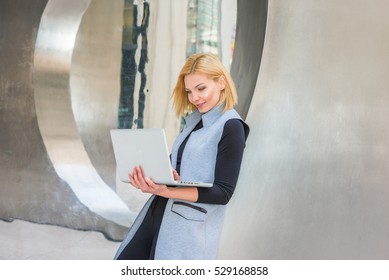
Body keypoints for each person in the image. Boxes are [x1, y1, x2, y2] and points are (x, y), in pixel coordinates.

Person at [114, 53, 249, 260]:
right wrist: (153, 175)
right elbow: (175, 165)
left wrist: (167, 191)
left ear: (221, 82)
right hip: (158, 213)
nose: (194, 98)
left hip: (187, 229)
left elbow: (223, 193)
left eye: (201, 88)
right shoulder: (194, 122)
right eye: (189, 91)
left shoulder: (231, 126)